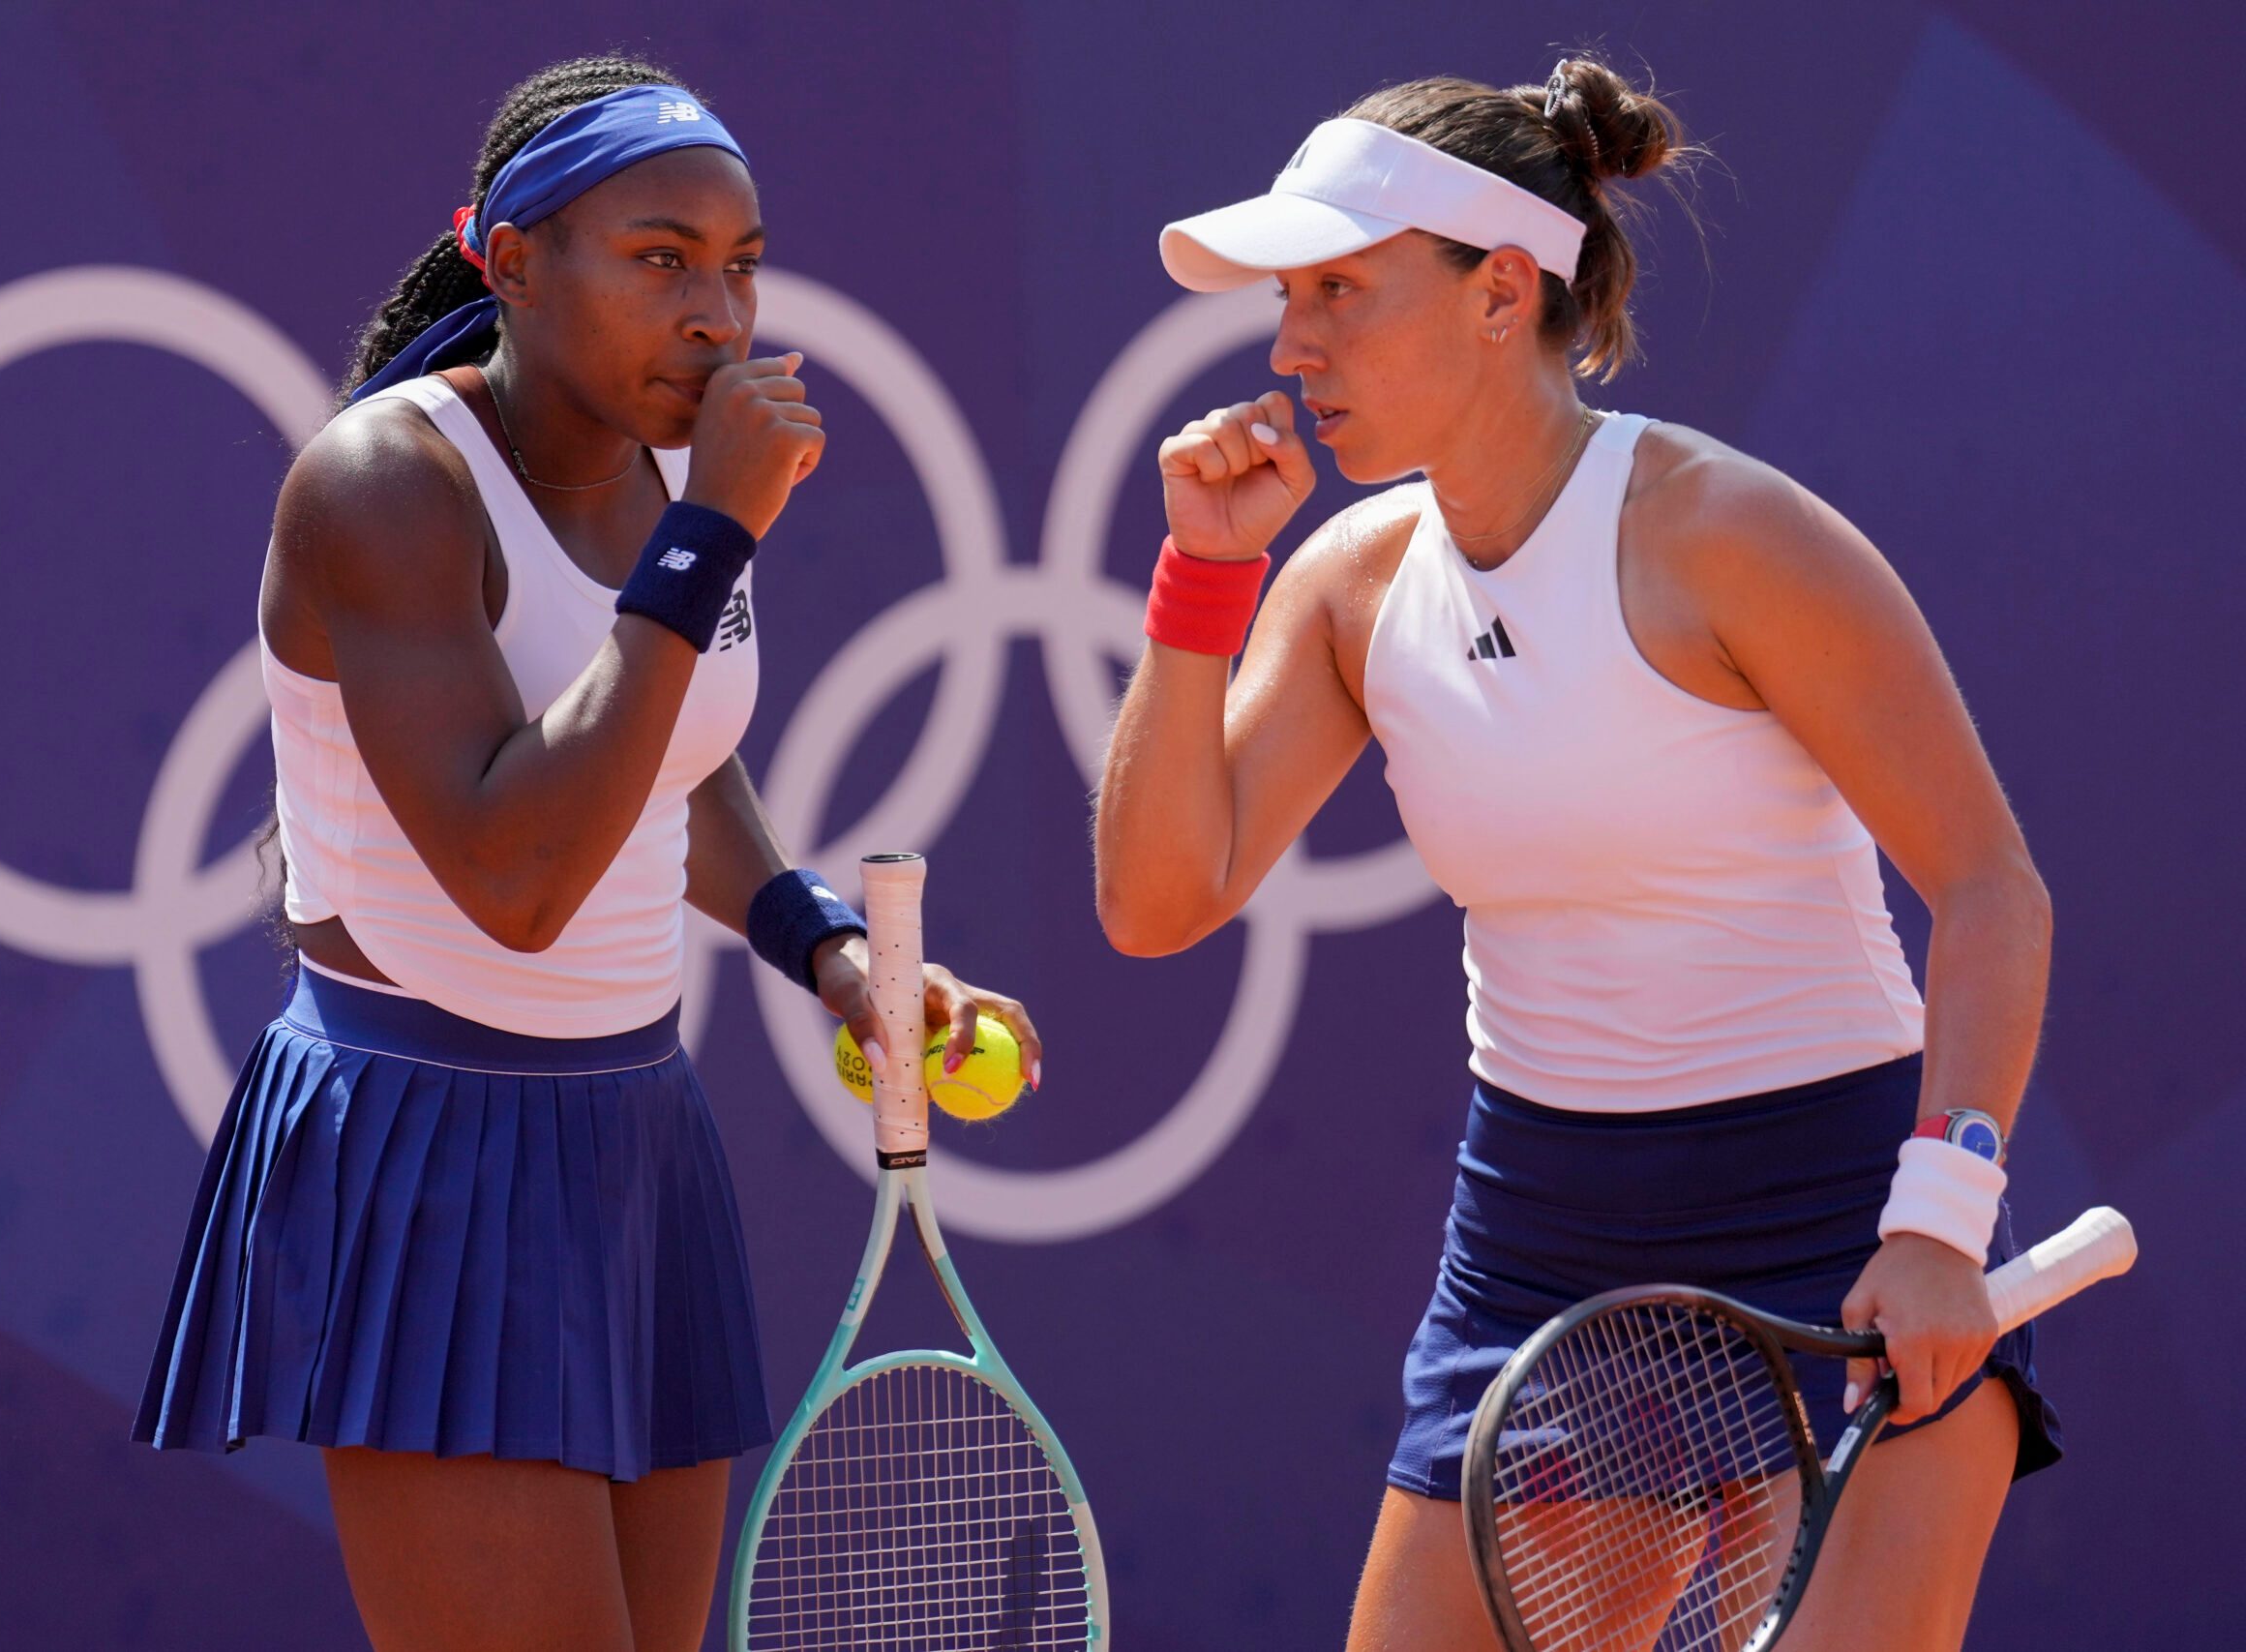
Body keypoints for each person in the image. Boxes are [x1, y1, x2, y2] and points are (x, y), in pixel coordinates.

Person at [1093, 57, 2058, 1651]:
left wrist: (1941, 1220)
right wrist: (1205, 580)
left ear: (1501, 294)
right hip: (1543, 1238)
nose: (1290, 345)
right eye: (1289, 297)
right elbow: (1154, 903)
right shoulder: (1348, 582)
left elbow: (1989, 886)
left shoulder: (1725, 535)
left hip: (1846, 1211)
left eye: (1341, 289)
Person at [134, 55, 1038, 1652]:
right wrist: (709, 544)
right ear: (511, 259)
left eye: (742, 264)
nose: (718, 313)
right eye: (661, 257)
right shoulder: (383, 486)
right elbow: (519, 876)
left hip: (635, 1139)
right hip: (423, 1148)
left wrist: (822, 947)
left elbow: (669, 767)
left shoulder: (676, 464)